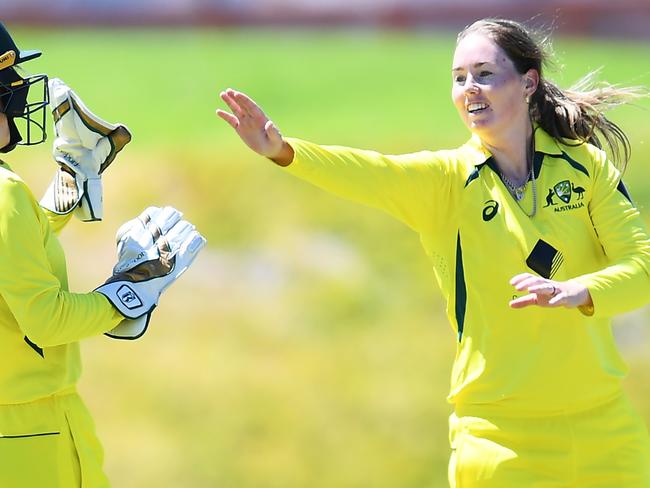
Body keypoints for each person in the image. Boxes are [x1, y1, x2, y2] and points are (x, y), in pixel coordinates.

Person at [217, 17, 650, 487]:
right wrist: (284, 151)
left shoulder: (584, 164)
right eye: (459, 78)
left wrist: (578, 290)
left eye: (484, 74)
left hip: (605, 431)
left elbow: (641, 269)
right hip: (498, 441)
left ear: (528, 82)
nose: (469, 89)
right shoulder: (446, 181)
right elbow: (371, 172)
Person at [0, 23, 204, 487]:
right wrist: (128, 292)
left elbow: (11, 256)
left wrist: (64, 191)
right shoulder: (4, 191)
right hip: (31, 432)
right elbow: (46, 319)